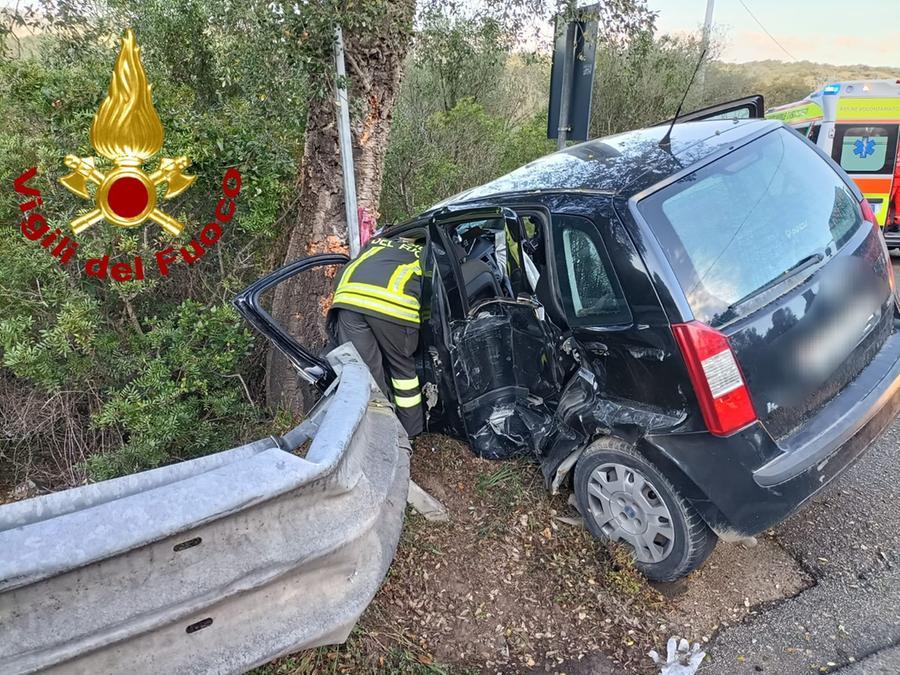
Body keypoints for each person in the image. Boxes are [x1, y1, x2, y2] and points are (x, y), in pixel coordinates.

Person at [329, 235, 424, 437]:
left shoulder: (376, 243)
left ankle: (380, 433)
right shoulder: (428, 251)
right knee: (402, 372)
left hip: (348, 301)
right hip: (392, 307)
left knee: (367, 375)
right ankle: (411, 434)